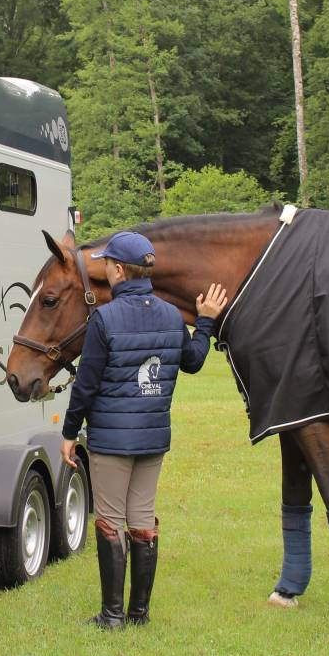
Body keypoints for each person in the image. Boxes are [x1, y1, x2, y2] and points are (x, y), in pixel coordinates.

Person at [59, 231, 228, 629]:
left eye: (108, 266)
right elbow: (193, 361)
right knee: (142, 520)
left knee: (109, 521)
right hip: (153, 437)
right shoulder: (171, 315)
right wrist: (204, 321)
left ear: (118, 270)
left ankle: (112, 616)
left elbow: (86, 384)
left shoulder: (104, 319)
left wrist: (69, 432)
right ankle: (139, 614)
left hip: (112, 440)